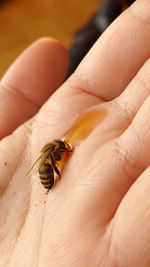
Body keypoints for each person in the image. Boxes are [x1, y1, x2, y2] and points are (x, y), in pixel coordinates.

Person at [0, 1, 150, 266]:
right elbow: (54, 160)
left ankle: (96, 28)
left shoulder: (51, 153)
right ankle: (97, 27)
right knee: (77, 71)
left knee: (75, 66)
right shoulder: (54, 154)